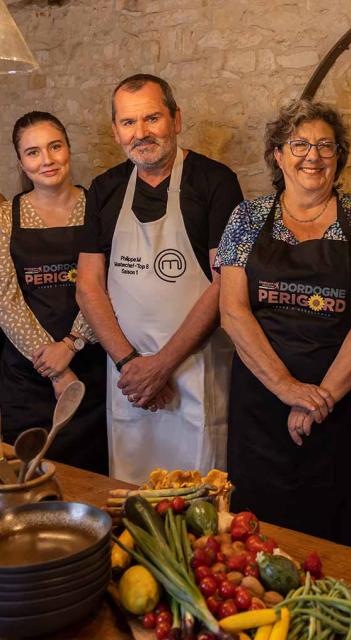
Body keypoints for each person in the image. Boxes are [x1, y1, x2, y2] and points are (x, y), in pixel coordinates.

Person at [216, 99, 351, 550]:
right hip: (263, 409)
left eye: (325, 145)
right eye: (298, 144)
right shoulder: (247, 218)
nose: (312, 156)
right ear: (278, 156)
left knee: (342, 536)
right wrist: (286, 388)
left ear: (339, 157)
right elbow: (233, 312)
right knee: (256, 541)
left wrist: (319, 399)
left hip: (343, 410)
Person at [76, 74, 243, 485]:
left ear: (176, 119)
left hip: (193, 372)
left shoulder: (215, 182)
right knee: (131, 498)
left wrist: (163, 365)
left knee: (200, 502)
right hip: (128, 378)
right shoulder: (104, 189)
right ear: (116, 131)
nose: (141, 133)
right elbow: (88, 286)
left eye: (152, 118)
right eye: (129, 123)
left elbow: (225, 284)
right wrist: (132, 365)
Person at [0, 112, 107, 474]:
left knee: (90, 481)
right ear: (20, 162)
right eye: (33, 153)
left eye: (54, 147)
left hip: (90, 370)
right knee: (25, 479)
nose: (46, 160)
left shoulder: (101, 209)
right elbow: (5, 300)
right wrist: (56, 371)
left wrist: (72, 343)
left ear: (68, 149)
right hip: (26, 378)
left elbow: (108, 286)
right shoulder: (4, 217)